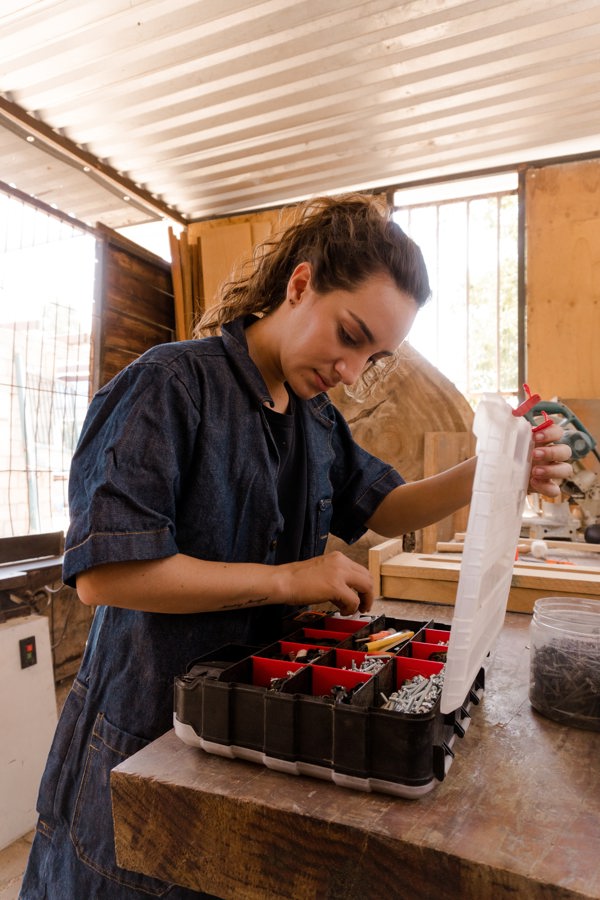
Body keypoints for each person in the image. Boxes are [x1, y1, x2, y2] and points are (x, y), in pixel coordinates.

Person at [20, 194, 572, 899]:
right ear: (300, 284)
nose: (349, 370)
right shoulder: (171, 384)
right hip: (144, 733)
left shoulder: (315, 422)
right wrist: (288, 580)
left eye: (372, 358)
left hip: (249, 732)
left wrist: (493, 471)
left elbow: (390, 504)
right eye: (349, 334)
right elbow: (108, 575)